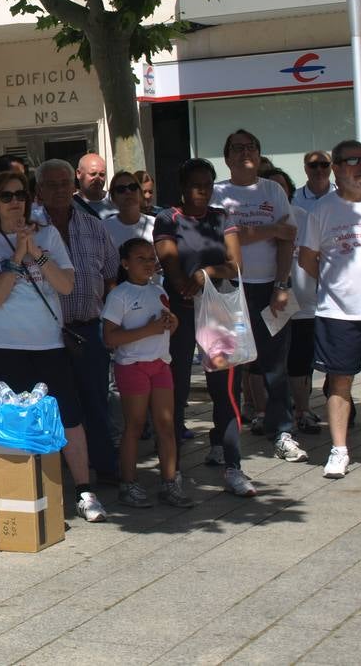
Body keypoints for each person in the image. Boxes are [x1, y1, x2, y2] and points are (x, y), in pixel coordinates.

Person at [0, 170, 108, 522]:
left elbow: (65, 285)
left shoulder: (47, 234)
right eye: (6, 196)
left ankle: (84, 491)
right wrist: (18, 255)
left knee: (69, 416)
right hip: (6, 345)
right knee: (19, 418)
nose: (15, 202)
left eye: (20, 195)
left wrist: (38, 253)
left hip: (49, 342)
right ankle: (27, 492)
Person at [154, 157, 254, 496]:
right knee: (177, 390)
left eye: (208, 184)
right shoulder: (167, 218)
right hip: (181, 313)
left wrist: (206, 274)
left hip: (219, 313)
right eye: (195, 184)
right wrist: (185, 284)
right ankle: (173, 471)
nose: (202, 190)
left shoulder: (221, 217)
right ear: (182, 186)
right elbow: (168, 262)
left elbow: (234, 265)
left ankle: (233, 466)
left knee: (225, 390)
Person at [212, 129, 308, 465]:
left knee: (275, 366)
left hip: (271, 286)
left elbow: (288, 237)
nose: (245, 152)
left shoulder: (273, 190)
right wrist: (268, 230)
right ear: (227, 157)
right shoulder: (217, 193)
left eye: (251, 146)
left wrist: (282, 285)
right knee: (231, 369)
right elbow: (225, 241)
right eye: (237, 148)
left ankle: (282, 431)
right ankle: (225, 439)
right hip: (231, 290)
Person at [36, 158, 120, 481]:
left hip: (88, 330)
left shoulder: (94, 226)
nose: (59, 190)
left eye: (63, 183)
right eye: (50, 184)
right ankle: (55, 476)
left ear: (74, 186)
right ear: (39, 190)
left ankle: (105, 467)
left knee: (96, 403)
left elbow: (112, 276)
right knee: (51, 407)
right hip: (46, 334)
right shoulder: (30, 229)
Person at [299, 140, 361, 479]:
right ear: (337, 169)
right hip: (338, 313)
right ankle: (339, 450)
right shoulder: (322, 210)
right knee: (340, 382)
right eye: (353, 161)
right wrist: (335, 286)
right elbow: (306, 259)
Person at [102, 238, 193, 508]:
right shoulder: (119, 295)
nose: (148, 263)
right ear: (125, 264)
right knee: (135, 425)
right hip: (132, 366)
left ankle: (170, 482)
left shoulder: (158, 290)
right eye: (140, 258)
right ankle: (128, 484)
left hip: (160, 363)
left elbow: (163, 327)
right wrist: (149, 330)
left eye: (151, 258)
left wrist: (172, 324)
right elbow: (109, 338)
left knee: (166, 425)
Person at [264, 168, 323, 436]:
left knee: (301, 361)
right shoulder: (259, 220)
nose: (278, 191)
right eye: (271, 186)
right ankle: (264, 413)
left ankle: (303, 411)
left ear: (289, 189)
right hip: (269, 300)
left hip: (304, 303)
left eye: (282, 186)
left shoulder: (305, 217)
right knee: (269, 363)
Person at [103, 171, 155, 252]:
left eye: (133, 187)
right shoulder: (102, 228)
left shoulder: (155, 224)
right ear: (113, 197)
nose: (128, 192)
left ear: (140, 192)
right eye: (121, 189)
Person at [75, 152, 116, 218]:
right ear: (79, 174)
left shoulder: (117, 201)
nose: (97, 179)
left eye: (101, 174)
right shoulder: (69, 206)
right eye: (93, 174)